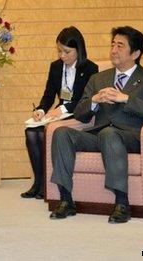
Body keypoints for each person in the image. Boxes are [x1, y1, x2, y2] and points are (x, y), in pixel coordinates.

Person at [49, 26, 143, 223]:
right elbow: (80, 114)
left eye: (120, 46)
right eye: (113, 44)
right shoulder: (98, 78)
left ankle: (122, 203)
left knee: (110, 134)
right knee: (62, 133)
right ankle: (66, 200)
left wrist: (125, 98)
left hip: (132, 137)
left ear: (135, 53)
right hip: (98, 135)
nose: (114, 50)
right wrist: (94, 100)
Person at [21, 26, 98, 199]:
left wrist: (62, 109)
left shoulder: (91, 68)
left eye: (67, 52)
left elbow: (86, 100)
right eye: (59, 51)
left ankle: (46, 186)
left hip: (77, 113)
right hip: (58, 112)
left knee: (43, 134)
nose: (62, 56)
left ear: (78, 49)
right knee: (31, 132)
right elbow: (49, 94)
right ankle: (38, 183)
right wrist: (40, 109)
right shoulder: (56, 67)